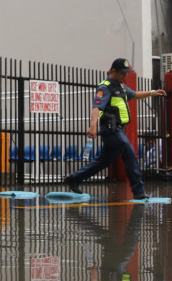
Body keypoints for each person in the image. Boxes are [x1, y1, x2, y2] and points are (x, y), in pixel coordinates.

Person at [64, 58, 166, 200]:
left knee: (103, 161)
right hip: (111, 130)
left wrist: (152, 93)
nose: (125, 76)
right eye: (123, 73)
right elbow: (97, 107)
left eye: (127, 73)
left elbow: (134, 95)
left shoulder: (121, 86)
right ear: (113, 71)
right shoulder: (105, 87)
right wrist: (93, 125)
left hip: (119, 129)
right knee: (129, 152)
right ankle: (138, 191)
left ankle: (74, 178)